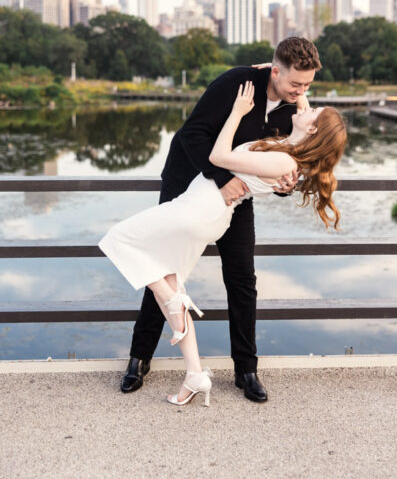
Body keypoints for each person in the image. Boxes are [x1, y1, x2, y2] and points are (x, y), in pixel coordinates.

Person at [99, 80, 347, 406]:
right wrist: (299, 96)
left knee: (120, 241)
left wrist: (237, 112)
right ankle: (189, 373)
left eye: (308, 94)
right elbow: (196, 136)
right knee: (169, 280)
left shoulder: (286, 154)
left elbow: (221, 155)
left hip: (203, 210)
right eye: (299, 84)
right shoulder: (287, 135)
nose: (303, 96)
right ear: (277, 70)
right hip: (200, 201)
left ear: (314, 129)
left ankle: (241, 365)